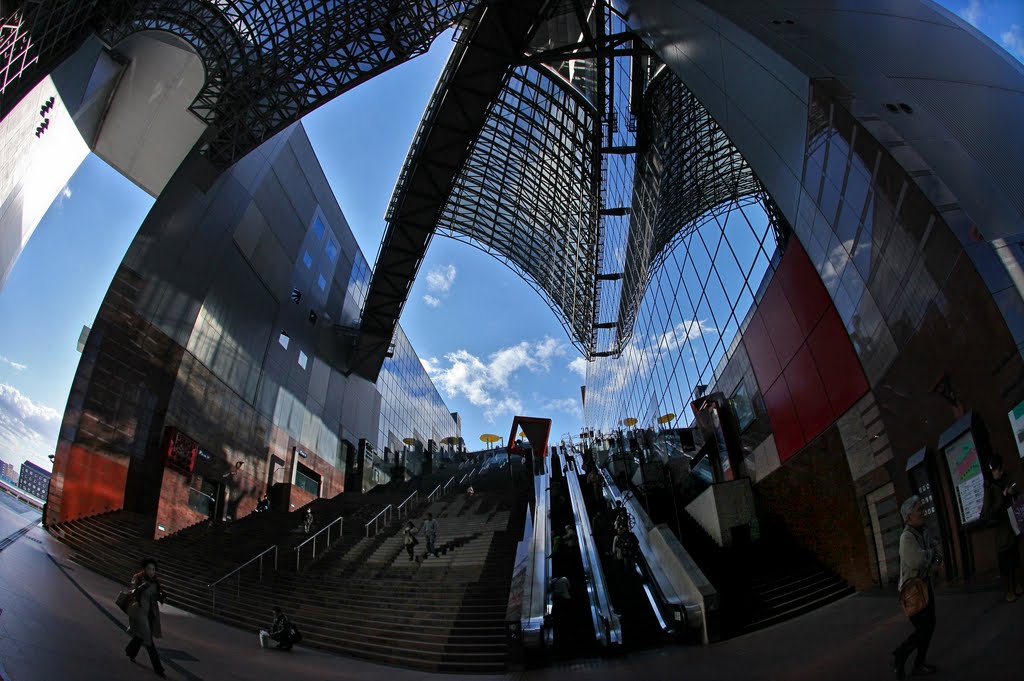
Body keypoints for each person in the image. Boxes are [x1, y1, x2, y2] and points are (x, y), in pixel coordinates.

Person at [891, 496, 941, 679]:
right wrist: (931, 555)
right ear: (908, 516)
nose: (922, 512)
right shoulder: (906, 538)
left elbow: (937, 552)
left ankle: (918, 663)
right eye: (918, 510)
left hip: (926, 586)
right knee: (924, 628)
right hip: (912, 592)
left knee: (930, 626)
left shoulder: (924, 531)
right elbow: (918, 561)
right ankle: (900, 655)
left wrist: (932, 556)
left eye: (921, 508)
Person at [982, 455, 1022, 602]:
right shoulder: (989, 486)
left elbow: (1016, 497)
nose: (996, 473)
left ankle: (1017, 584)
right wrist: (1003, 496)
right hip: (1001, 529)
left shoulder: (1007, 479)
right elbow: (988, 511)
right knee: (1005, 561)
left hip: (1013, 524)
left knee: (1015, 556)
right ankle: (1009, 591)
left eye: (997, 470)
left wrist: (1013, 493)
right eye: (993, 471)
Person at [124, 557, 167, 677]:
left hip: (151, 614)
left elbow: (159, 597)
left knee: (141, 635)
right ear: (144, 569)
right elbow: (131, 592)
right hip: (139, 611)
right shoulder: (138, 577)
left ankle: (130, 651)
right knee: (148, 639)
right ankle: (159, 668)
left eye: (153, 569)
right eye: (149, 569)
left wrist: (162, 596)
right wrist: (140, 588)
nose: (151, 571)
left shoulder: (156, 582)